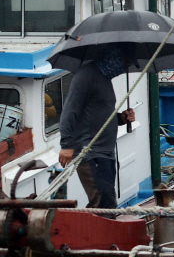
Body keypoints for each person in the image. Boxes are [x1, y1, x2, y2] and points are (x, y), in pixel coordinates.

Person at [58, 46, 135, 209]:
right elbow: (69, 111)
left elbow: (100, 114)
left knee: (107, 201)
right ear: (113, 57)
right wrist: (66, 145)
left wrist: (121, 118)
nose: (125, 68)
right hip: (90, 153)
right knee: (102, 202)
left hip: (106, 153)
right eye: (125, 62)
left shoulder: (105, 78)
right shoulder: (86, 76)